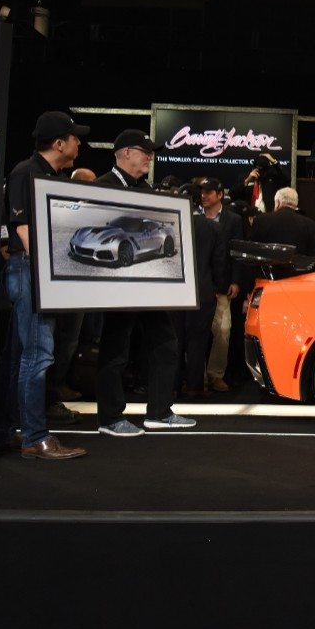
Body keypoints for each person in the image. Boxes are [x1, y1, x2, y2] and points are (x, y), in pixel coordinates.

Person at [94, 129, 196, 436]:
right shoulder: (102, 186)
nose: (150, 157)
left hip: (149, 284)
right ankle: (110, 418)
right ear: (125, 153)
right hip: (116, 287)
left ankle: (159, 412)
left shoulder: (147, 189)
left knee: (166, 343)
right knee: (116, 350)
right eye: (145, 152)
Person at [4, 111, 89, 460]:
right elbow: (23, 231)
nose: (79, 143)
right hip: (31, 270)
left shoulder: (49, 174)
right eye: (74, 138)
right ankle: (35, 438)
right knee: (37, 355)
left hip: (34, 271)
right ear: (58, 144)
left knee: (21, 357)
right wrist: (52, 273)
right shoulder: (27, 172)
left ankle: (9, 431)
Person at [195, 177, 244, 394]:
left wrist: (235, 280)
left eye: (209, 192)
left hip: (223, 285)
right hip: (198, 285)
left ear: (220, 194)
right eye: (202, 192)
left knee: (223, 330)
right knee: (196, 332)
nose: (204, 195)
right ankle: (196, 376)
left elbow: (236, 252)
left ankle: (216, 375)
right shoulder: (192, 216)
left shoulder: (233, 220)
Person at [177, 197, 226, 399]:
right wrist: (218, 287)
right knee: (198, 341)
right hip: (204, 291)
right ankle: (195, 387)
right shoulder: (211, 227)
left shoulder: (173, 223)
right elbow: (219, 261)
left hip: (175, 292)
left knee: (175, 340)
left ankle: (173, 385)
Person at [249, 186, 315, 253]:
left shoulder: (261, 220)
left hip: (266, 268)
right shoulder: (310, 225)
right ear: (296, 204)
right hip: (299, 268)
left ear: (277, 203)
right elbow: (313, 258)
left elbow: (253, 252)